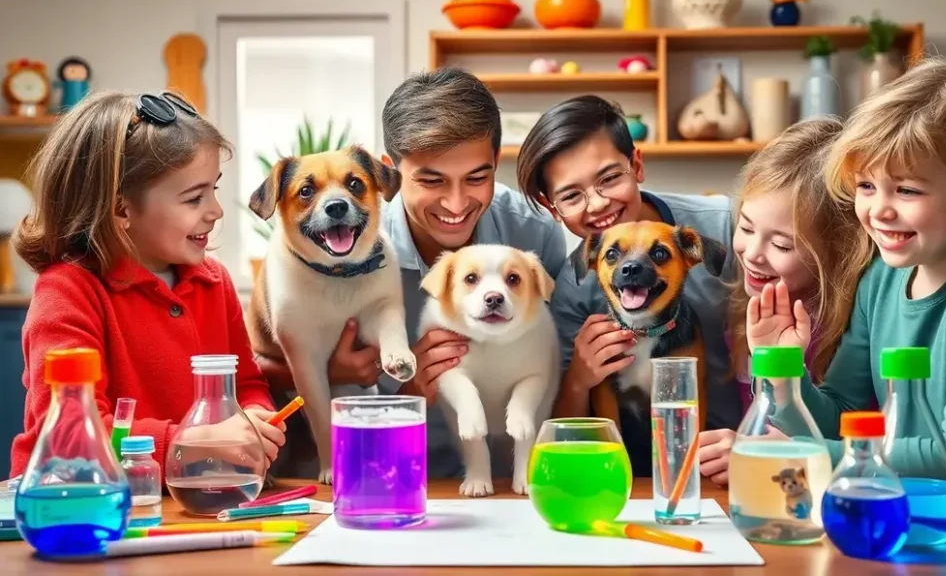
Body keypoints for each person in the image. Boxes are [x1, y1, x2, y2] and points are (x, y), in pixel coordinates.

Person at [256, 68, 566, 479]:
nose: (456, 203)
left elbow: (558, 358)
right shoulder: (337, 248)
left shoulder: (533, 234)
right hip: (383, 471)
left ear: (496, 161)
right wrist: (346, 374)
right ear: (390, 173)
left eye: (477, 177)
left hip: (512, 476)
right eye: (431, 180)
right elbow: (259, 363)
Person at [749, 57, 946, 479]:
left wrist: (809, 455)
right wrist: (785, 370)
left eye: (907, 190)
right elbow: (843, 414)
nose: (878, 210)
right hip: (908, 512)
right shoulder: (881, 277)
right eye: (866, 186)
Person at [9, 91, 284, 479]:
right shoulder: (66, 293)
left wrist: (254, 414)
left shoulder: (213, 281)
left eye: (214, 190)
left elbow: (246, 382)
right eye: (194, 199)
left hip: (192, 498)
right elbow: (70, 434)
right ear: (121, 209)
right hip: (78, 510)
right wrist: (195, 441)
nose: (216, 211)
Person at [515, 94, 736, 476]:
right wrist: (579, 378)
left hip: (728, 458)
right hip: (631, 474)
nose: (598, 204)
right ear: (553, 208)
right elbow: (560, 427)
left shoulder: (725, 227)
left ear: (636, 165)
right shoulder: (573, 283)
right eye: (571, 195)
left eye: (609, 178)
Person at [695, 118, 873, 485]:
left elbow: (842, 440)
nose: (753, 254)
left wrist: (750, 451)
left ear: (835, 250)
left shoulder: (848, 323)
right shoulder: (746, 305)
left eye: (782, 245)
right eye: (745, 228)